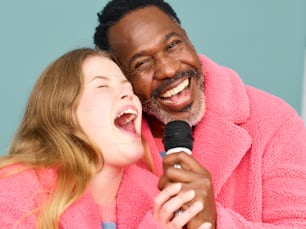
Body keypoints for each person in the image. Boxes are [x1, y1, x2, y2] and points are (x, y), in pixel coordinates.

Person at [94, 1, 306, 228]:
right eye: (142, 63)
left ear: (187, 38)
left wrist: (216, 223)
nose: (169, 70)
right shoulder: (102, 145)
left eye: (173, 45)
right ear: (119, 74)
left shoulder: (274, 121)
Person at [0, 48, 209, 229]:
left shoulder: (159, 198)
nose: (127, 94)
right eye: (102, 86)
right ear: (64, 114)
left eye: (128, 88)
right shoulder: (13, 191)